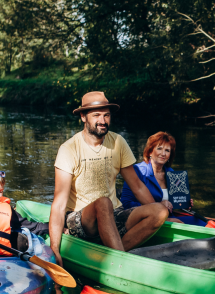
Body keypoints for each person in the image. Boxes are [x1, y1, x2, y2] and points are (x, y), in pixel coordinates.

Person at [49, 91, 169, 265]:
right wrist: (54, 249)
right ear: (83, 117)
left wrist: (162, 213)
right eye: (96, 115)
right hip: (81, 219)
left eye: (106, 115)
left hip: (113, 214)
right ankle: (121, 262)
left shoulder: (118, 142)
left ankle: (116, 254)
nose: (103, 120)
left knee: (160, 211)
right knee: (103, 202)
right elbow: (59, 203)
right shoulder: (68, 149)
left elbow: (137, 186)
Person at [120, 131, 205, 226]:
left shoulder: (172, 173)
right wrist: (158, 205)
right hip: (146, 221)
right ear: (150, 151)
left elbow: (175, 203)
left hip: (169, 217)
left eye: (167, 150)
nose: (163, 153)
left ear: (170, 155)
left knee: (202, 223)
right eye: (159, 148)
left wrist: (184, 204)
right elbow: (126, 204)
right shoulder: (137, 171)